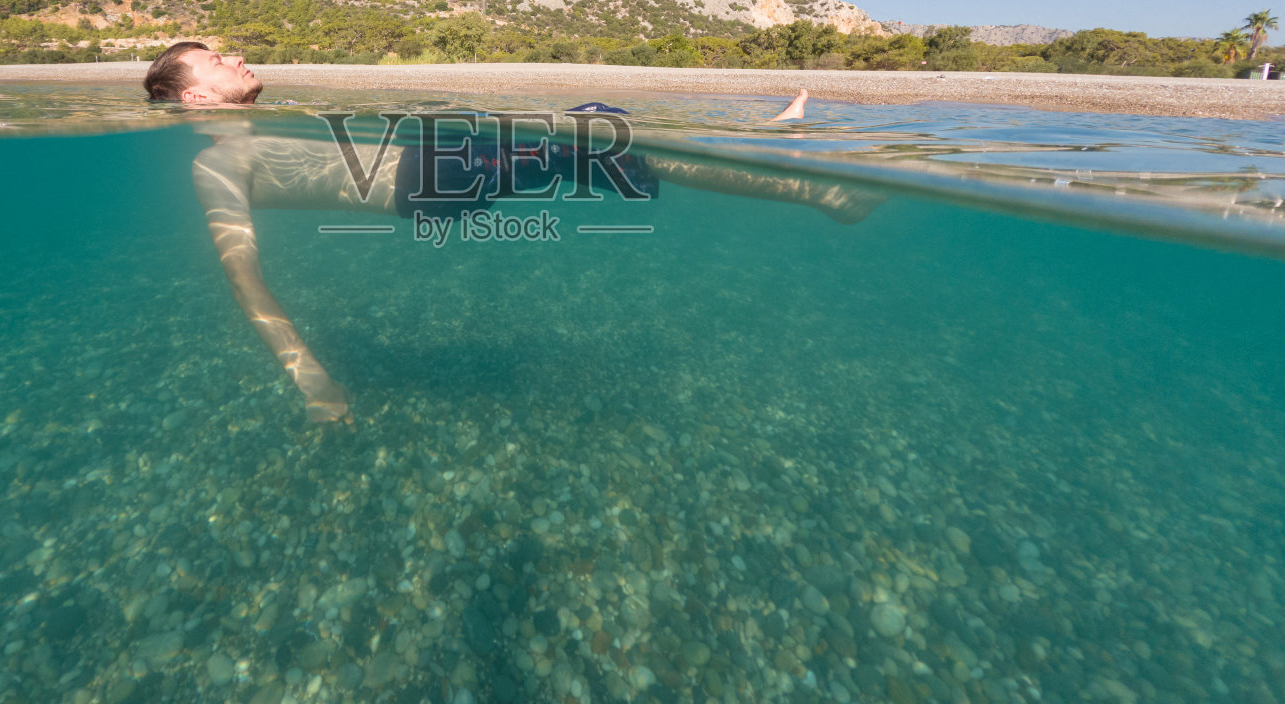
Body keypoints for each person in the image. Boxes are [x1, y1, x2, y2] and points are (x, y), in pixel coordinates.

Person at [144, 43, 870, 427]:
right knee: (597, 125)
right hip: (431, 179)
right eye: (216, 60)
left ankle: (808, 182)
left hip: (438, 175)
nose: (236, 57)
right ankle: (794, 164)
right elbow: (244, 274)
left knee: (613, 148)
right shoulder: (218, 161)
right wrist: (312, 378)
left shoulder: (269, 125)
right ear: (194, 95)